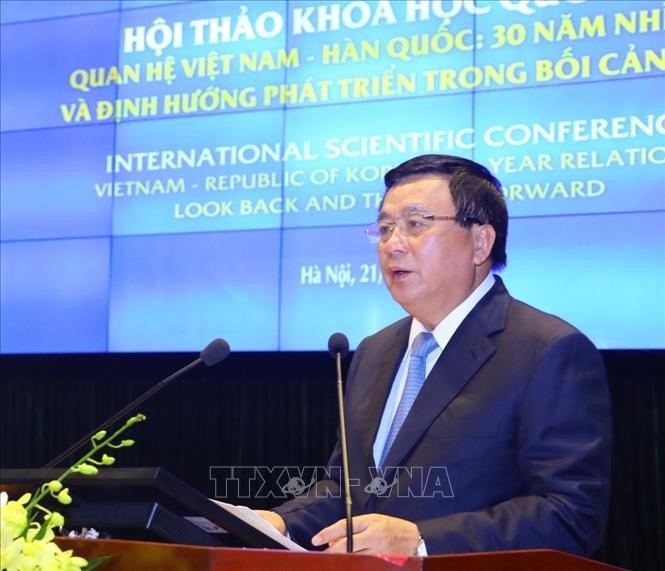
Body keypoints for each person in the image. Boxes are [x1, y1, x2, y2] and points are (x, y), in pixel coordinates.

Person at [258, 154, 611, 556]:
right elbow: (349, 491)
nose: (392, 244)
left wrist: (421, 540)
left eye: (415, 224)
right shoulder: (374, 351)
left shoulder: (547, 350)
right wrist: (279, 524)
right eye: (385, 228)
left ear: (480, 242)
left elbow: (570, 514)